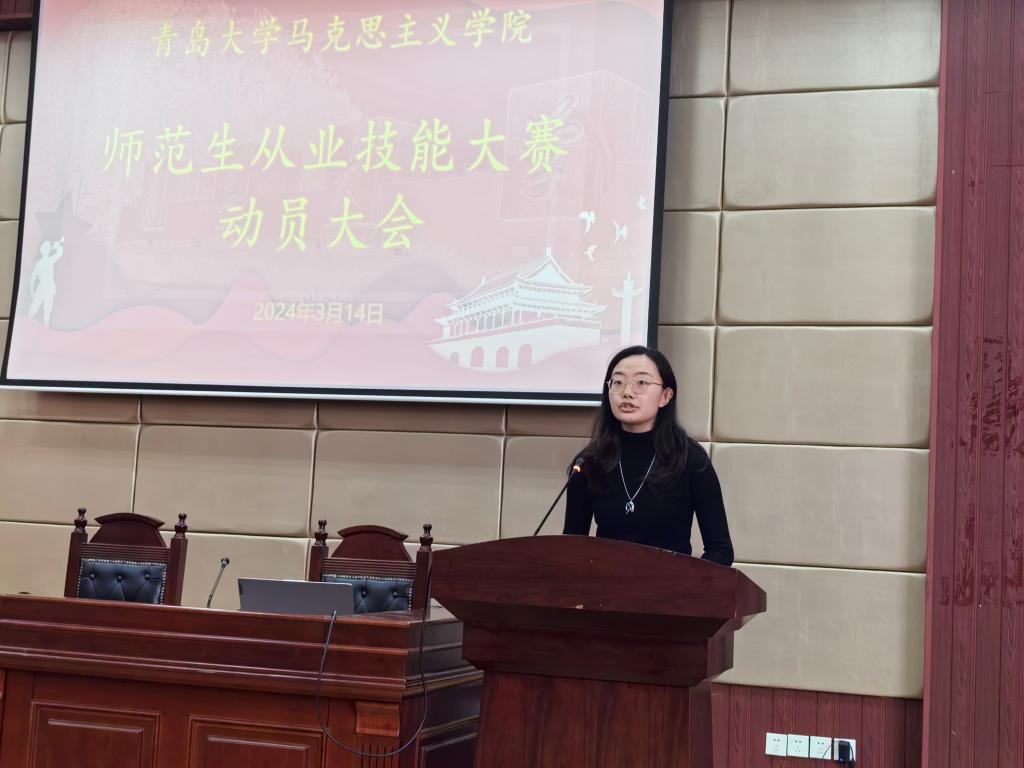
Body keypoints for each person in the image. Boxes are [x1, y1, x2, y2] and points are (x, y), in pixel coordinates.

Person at [563, 345, 734, 566]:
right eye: (618, 382)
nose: (627, 392)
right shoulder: (588, 462)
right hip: (606, 585)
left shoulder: (689, 460)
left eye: (641, 382)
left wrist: (687, 581)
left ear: (665, 396)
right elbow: (571, 548)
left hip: (671, 586)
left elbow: (720, 551)